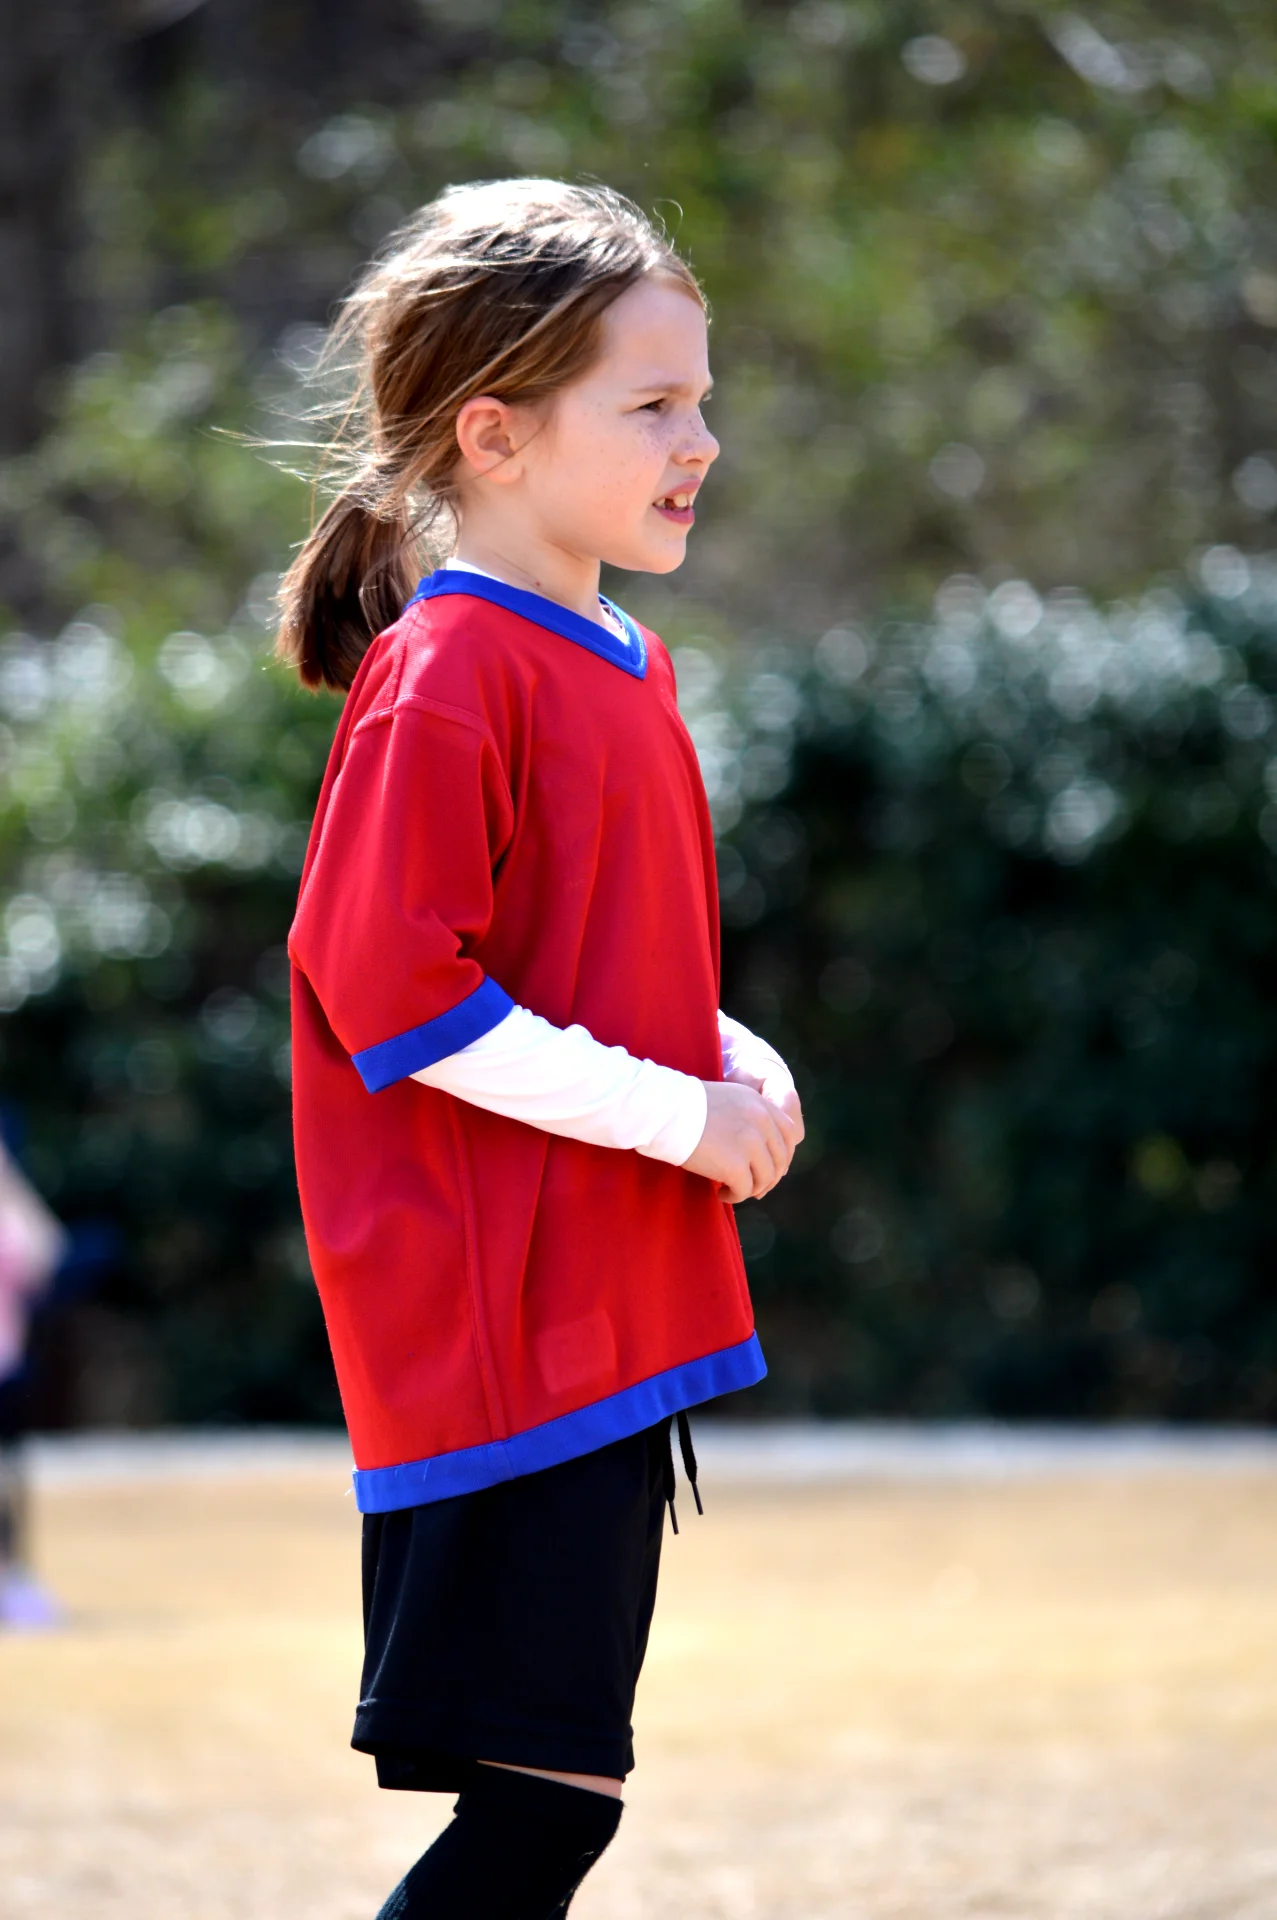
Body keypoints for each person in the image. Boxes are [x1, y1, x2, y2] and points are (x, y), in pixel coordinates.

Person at [279, 178, 804, 1920]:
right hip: (505, 1326)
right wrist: (677, 1115)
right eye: (649, 404)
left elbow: (580, 958)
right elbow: (395, 992)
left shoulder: (622, 661)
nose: (698, 441)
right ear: (492, 434)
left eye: (700, 398)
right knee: (541, 1808)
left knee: (554, 1799)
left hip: (594, 1302)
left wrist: (731, 1055)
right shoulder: (447, 670)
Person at [0, 1134, 66, 1630]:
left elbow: (45, 1253)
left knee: (9, 1483)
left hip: (5, 1364)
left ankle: (12, 1578)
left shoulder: (9, 1213)